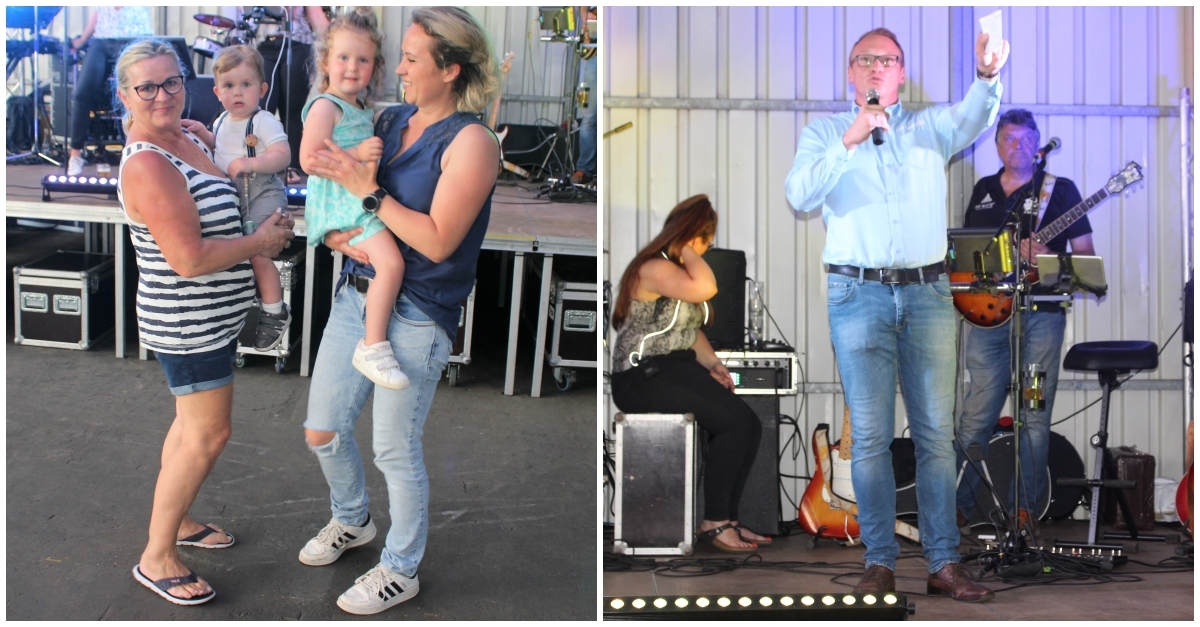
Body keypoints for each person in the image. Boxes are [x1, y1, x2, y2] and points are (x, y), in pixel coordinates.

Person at [784, 28, 1008, 602]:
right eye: (866, 60)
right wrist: (852, 140)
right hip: (857, 296)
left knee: (936, 434)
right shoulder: (826, 132)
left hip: (929, 294)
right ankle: (879, 560)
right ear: (851, 75)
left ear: (902, 74)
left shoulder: (929, 129)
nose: (877, 68)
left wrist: (987, 78)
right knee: (873, 438)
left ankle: (943, 562)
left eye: (887, 60)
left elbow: (974, 116)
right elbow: (799, 195)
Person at [296, 7, 500, 615]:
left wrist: (369, 191)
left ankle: (401, 568)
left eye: (412, 60)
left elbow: (437, 240)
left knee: (393, 449)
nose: (398, 69)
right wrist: (333, 236)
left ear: (451, 69)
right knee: (322, 432)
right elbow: (335, 194)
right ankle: (352, 520)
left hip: (417, 314)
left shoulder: (473, 142)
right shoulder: (389, 118)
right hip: (355, 293)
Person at [113, 38, 293, 605]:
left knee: (189, 426)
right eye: (147, 87)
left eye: (171, 82)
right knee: (209, 433)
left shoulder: (186, 135)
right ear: (126, 95)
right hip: (187, 320)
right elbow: (188, 261)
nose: (162, 94)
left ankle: (181, 520)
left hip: (212, 317)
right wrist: (261, 242)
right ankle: (156, 555)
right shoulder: (148, 163)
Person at [954, 109, 1095, 530]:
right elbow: (966, 257)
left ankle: (1025, 511)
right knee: (976, 412)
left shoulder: (1062, 191)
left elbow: (1085, 258)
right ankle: (957, 506)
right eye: (1009, 139)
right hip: (987, 320)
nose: (1018, 146)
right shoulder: (983, 191)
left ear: (1038, 145)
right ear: (997, 145)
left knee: (1033, 413)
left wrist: (1047, 257)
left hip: (1042, 319)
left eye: (1025, 139)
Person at [610, 194, 767, 552]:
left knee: (749, 426)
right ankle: (713, 523)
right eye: (705, 241)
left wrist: (713, 364)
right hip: (641, 374)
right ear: (692, 235)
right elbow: (706, 288)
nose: (707, 249)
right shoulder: (653, 267)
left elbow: (689, 328)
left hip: (670, 367)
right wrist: (687, 247)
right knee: (736, 424)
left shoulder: (673, 273)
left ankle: (728, 519)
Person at [300, 8, 408, 390]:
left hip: (356, 198)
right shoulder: (326, 105)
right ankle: (372, 344)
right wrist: (358, 155)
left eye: (362, 59)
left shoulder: (361, 107)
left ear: (375, 66)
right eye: (343, 57)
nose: (352, 67)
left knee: (388, 262)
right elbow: (309, 158)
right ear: (326, 61)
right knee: (391, 264)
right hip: (343, 204)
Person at [182, 45, 294, 350]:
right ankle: (240, 307)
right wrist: (202, 133)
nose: (238, 93)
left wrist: (251, 163)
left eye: (246, 85)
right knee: (236, 250)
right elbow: (220, 145)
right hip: (237, 195)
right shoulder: (221, 121)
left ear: (262, 88)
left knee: (258, 251)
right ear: (217, 91)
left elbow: (282, 156)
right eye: (230, 86)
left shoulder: (263, 121)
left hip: (263, 192)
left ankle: (275, 311)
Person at [67, 6, 154, 176]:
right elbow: (100, 11)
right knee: (81, 94)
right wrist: (83, 40)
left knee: (136, 93)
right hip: (102, 38)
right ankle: (75, 155)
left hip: (134, 35)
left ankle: (141, 151)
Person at [252, 6, 330, 181]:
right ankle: (260, 161)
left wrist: (339, 40)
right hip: (263, 44)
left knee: (293, 108)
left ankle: (291, 165)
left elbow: (316, 17)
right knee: (264, 105)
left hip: (297, 43)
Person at [571, 6, 597, 185]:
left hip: (623, 45)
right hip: (595, 49)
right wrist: (586, 20)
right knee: (587, 116)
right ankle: (584, 169)